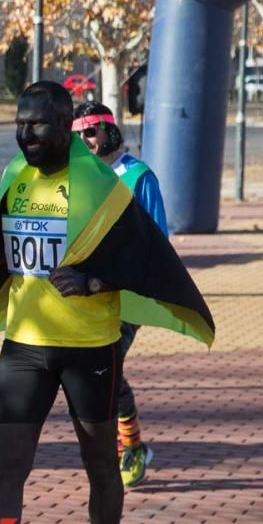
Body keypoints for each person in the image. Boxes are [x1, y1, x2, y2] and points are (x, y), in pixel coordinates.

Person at [0, 81, 214, 524]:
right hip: (25, 345)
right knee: (5, 466)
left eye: (38, 124)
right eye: (20, 123)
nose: (25, 134)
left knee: (99, 461)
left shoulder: (100, 182)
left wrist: (95, 280)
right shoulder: (14, 174)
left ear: (64, 122)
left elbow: (144, 256)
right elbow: (3, 249)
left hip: (89, 348)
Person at [73, 101, 167, 487]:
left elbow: (158, 240)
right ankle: (129, 445)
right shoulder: (78, 176)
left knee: (104, 371)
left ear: (110, 131)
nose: (85, 140)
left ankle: (126, 451)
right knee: (96, 374)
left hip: (126, 297)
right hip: (84, 295)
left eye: (91, 131)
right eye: (78, 133)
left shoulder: (138, 176)